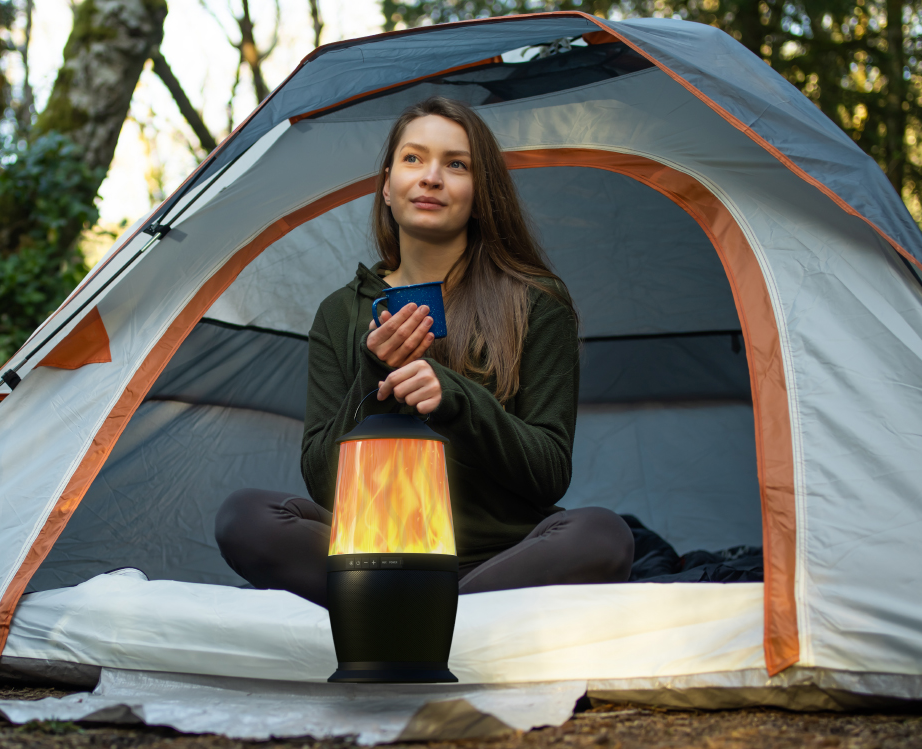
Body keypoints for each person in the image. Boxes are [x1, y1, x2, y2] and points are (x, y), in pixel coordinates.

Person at [215, 96, 633, 607]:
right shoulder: (340, 313)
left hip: (502, 558)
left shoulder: (536, 301)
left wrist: (456, 397)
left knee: (604, 535)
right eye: (414, 158)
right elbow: (325, 486)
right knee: (245, 517)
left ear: (481, 193)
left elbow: (548, 472)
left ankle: (406, 611)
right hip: (373, 553)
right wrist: (372, 378)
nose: (431, 177)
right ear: (387, 186)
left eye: (456, 164)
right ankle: (444, 613)